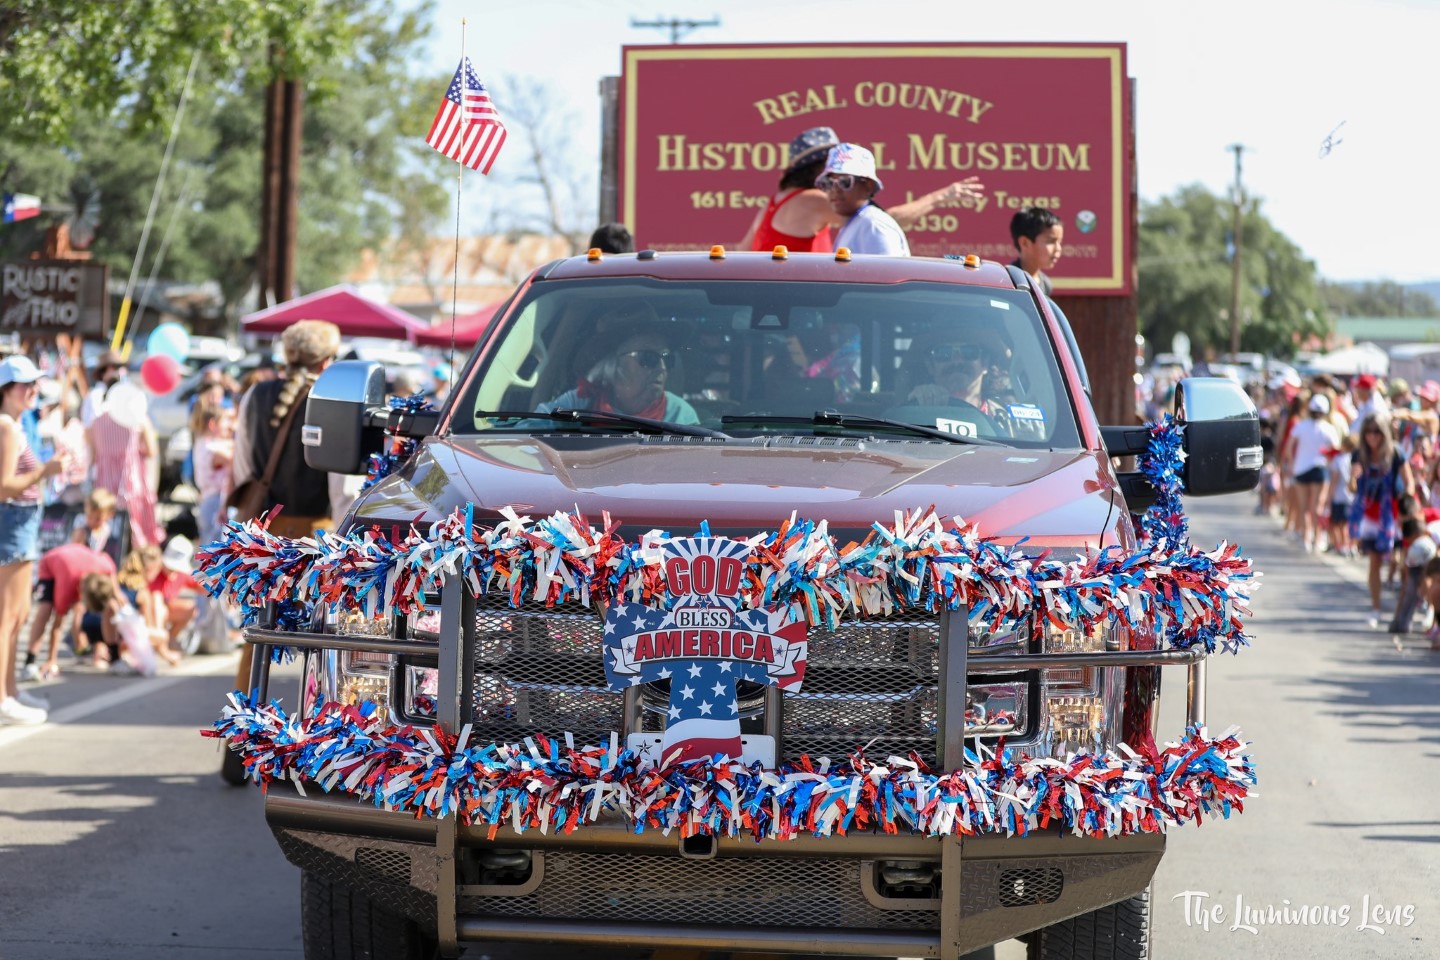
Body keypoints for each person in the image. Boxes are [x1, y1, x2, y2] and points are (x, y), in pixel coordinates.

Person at [738, 126, 985, 253]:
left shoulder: (773, 203)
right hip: (803, 314)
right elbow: (879, 220)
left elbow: (743, 250)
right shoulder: (813, 200)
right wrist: (940, 196)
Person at [0, 356, 71, 724]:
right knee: (8, 617)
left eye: (35, 383)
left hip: (21, 522)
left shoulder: (14, 424)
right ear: (7, 389)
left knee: (18, 615)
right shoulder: (8, 426)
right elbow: (4, 486)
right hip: (13, 522)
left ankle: (10, 691)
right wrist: (46, 469)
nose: (33, 389)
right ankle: (3, 696)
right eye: (26, 384)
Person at [536, 303, 699, 424]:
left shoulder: (680, 415)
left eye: (667, 358)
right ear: (611, 366)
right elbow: (530, 429)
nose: (662, 368)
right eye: (648, 358)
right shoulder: (581, 403)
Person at [1349, 412, 1413, 629]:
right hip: (1370, 514)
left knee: (1401, 563)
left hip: (1394, 514)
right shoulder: (1359, 455)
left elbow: (1409, 483)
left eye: (1377, 431)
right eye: (1368, 432)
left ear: (1384, 432)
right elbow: (1352, 488)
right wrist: (1353, 479)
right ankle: (1376, 607)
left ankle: (1401, 612)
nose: (1373, 436)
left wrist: (1407, 507)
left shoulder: (1396, 453)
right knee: (1375, 562)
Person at [21, 539, 117, 681]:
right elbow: (57, 626)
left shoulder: (107, 566)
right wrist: (52, 660)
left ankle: (115, 657)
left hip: (78, 561)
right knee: (45, 611)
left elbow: (111, 576)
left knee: (113, 605)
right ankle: (30, 662)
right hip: (52, 562)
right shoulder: (66, 587)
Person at [88, 379, 164, 549]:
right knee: (136, 531)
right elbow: (152, 451)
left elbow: (93, 456)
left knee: (109, 530)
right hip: (131, 481)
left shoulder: (96, 422)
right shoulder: (138, 419)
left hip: (105, 483)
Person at [815, 143, 909, 256]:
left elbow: (888, 272)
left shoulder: (874, 225)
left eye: (845, 182)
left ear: (868, 185)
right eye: (829, 183)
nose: (835, 190)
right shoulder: (857, 222)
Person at [1283, 392, 1341, 554]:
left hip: (1301, 469)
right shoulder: (1328, 428)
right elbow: (1336, 449)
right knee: (1317, 506)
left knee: (1303, 507)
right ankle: (1317, 539)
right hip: (1320, 469)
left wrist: (1292, 463)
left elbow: (1289, 446)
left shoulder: (1301, 426)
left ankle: (1306, 539)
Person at [190, 400, 233, 547]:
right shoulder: (211, 448)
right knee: (216, 554)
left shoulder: (203, 443)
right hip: (215, 503)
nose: (229, 426)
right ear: (213, 424)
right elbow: (234, 458)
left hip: (209, 502)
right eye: (225, 421)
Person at [1009, 207, 1064, 297]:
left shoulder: (1046, 283)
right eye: (1051, 241)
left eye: (1059, 242)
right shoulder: (1008, 280)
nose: (1058, 248)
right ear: (1025, 243)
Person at [80, 349, 125, 427]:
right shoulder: (95, 396)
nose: (120, 372)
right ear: (104, 372)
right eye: (116, 368)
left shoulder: (125, 391)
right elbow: (90, 423)